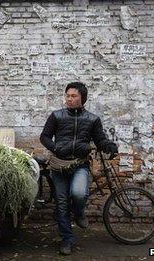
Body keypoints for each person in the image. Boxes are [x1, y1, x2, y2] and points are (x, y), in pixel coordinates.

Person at [40, 82, 118, 255]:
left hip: (80, 164)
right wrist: (55, 148)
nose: (69, 99)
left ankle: (79, 212)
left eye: (73, 96)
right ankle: (67, 240)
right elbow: (44, 136)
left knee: (78, 193)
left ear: (82, 98)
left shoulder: (92, 119)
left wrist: (109, 145)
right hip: (59, 165)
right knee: (61, 204)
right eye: (67, 95)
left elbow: (100, 140)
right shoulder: (56, 116)